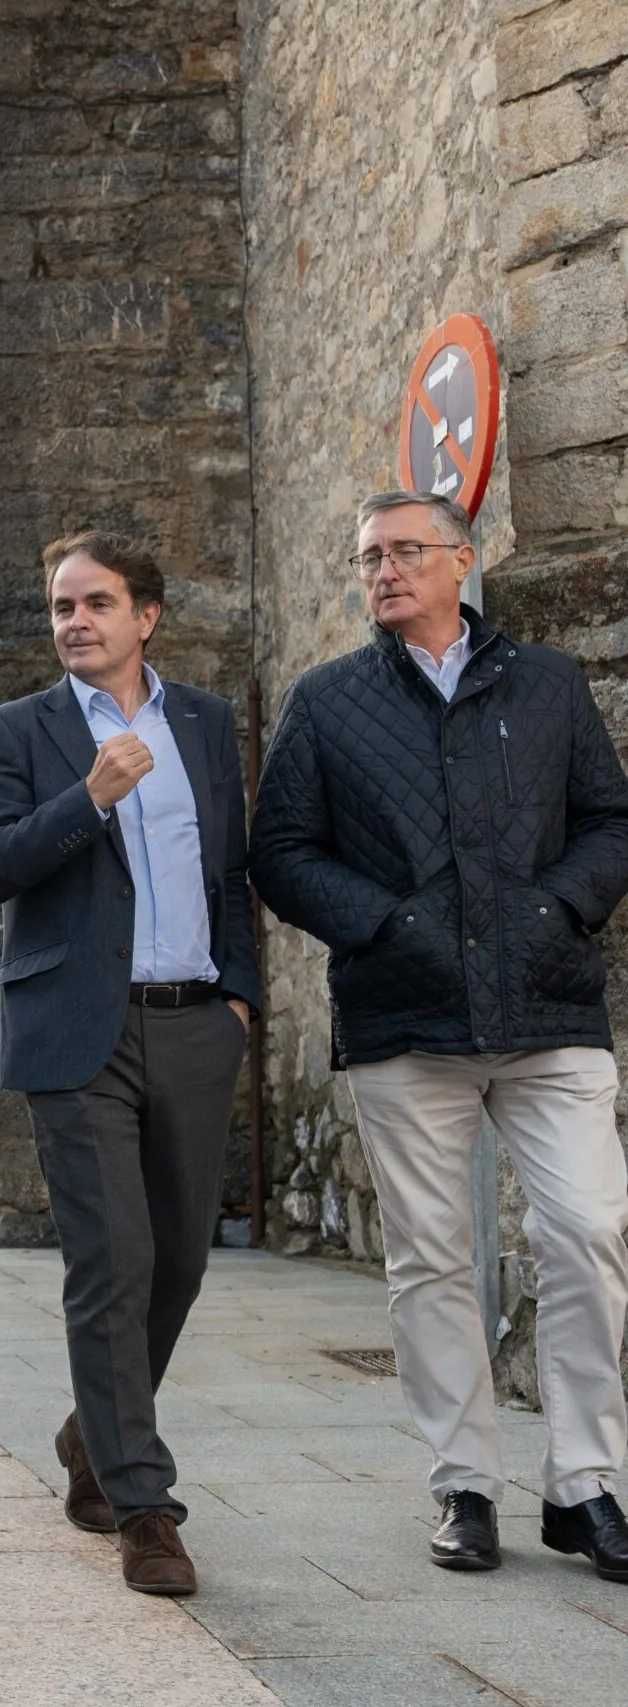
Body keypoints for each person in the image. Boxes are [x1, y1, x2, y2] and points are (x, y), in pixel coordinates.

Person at [254, 491, 628, 1584]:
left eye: (405, 552)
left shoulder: (548, 684)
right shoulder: (324, 703)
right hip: (403, 1015)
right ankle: (464, 1484)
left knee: (588, 1232)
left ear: (461, 562)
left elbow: (611, 818)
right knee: (428, 1259)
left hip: (549, 1008)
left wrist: (557, 908)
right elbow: (279, 849)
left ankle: (583, 1486)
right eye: (369, 557)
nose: (383, 571)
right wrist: (385, 923)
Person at [0, 532, 258, 1598]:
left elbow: (229, 870)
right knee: (113, 1262)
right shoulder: (17, 730)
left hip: (190, 1024)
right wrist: (86, 798)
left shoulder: (205, 727)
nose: (74, 621)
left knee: (179, 1259)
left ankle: (92, 1435)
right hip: (76, 1033)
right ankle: (142, 1504)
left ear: (146, 616)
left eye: (95, 603)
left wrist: (238, 998)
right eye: (59, 607)